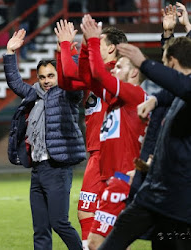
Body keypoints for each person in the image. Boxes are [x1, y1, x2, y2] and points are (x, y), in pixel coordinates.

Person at [98, 36, 191, 250]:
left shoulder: (185, 89)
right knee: (114, 241)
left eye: (166, 64)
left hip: (181, 200)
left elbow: (183, 86)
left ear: (173, 63)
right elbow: (175, 88)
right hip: (154, 193)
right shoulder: (175, 93)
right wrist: (156, 99)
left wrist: (143, 63)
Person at [4, 29, 86, 250]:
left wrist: (67, 51)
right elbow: (15, 84)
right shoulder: (34, 94)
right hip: (38, 168)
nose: (46, 81)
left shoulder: (68, 93)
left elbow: (74, 78)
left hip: (58, 167)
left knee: (59, 222)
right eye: (42, 77)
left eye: (51, 75)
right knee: (40, 228)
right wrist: (10, 53)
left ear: (58, 75)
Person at [54, 19, 128, 250]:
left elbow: (72, 73)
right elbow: (67, 81)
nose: (94, 45)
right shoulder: (97, 74)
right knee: (88, 212)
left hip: (115, 154)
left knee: (110, 216)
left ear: (110, 48)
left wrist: (69, 47)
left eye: (99, 42)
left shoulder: (114, 71)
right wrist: (64, 49)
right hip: (97, 152)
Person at [77, 15, 148, 250]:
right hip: (112, 178)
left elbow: (98, 74)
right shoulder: (116, 98)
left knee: (103, 242)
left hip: (124, 178)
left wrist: (94, 42)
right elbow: (88, 76)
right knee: (103, 242)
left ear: (135, 73)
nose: (114, 69)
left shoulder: (133, 94)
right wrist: (87, 46)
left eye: (120, 67)